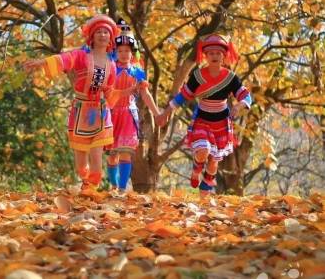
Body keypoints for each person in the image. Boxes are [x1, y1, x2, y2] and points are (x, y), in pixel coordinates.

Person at [24, 15, 136, 190]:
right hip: (80, 111)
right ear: (92, 36)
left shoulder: (112, 65)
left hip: (101, 112)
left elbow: (110, 92)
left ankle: (91, 190)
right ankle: (85, 180)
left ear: (110, 38)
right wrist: (42, 62)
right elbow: (64, 60)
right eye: (98, 31)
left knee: (97, 161)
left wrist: (128, 92)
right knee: (81, 166)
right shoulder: (81, 56)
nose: (102, 35)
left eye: (106, 32)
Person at [156, 34, 252, 194]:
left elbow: (246, 95)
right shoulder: (198, 76)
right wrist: (165, 112)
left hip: (221, 122)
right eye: (211, 53)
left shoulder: (230, 78)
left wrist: (239, 105)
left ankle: (205, 191)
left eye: (218, 53)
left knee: (214, 162)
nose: (214, 56)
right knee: (203, 151)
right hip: (202, 119)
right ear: (205, 56)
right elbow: (183, 96)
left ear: (224, 55)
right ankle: (196, 170)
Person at [105, 20, 161, 192]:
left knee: (126, 152)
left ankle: (122, 188)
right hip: (111, 114)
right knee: (112, 155)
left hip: (129, 114)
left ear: (132, 52)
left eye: (127, 51)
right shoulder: (109, 68)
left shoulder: (137, 71)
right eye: (119, 50)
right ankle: (113, 184)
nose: (123, 53)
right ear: (115, 51)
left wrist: (157, 113)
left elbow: (145, 93)